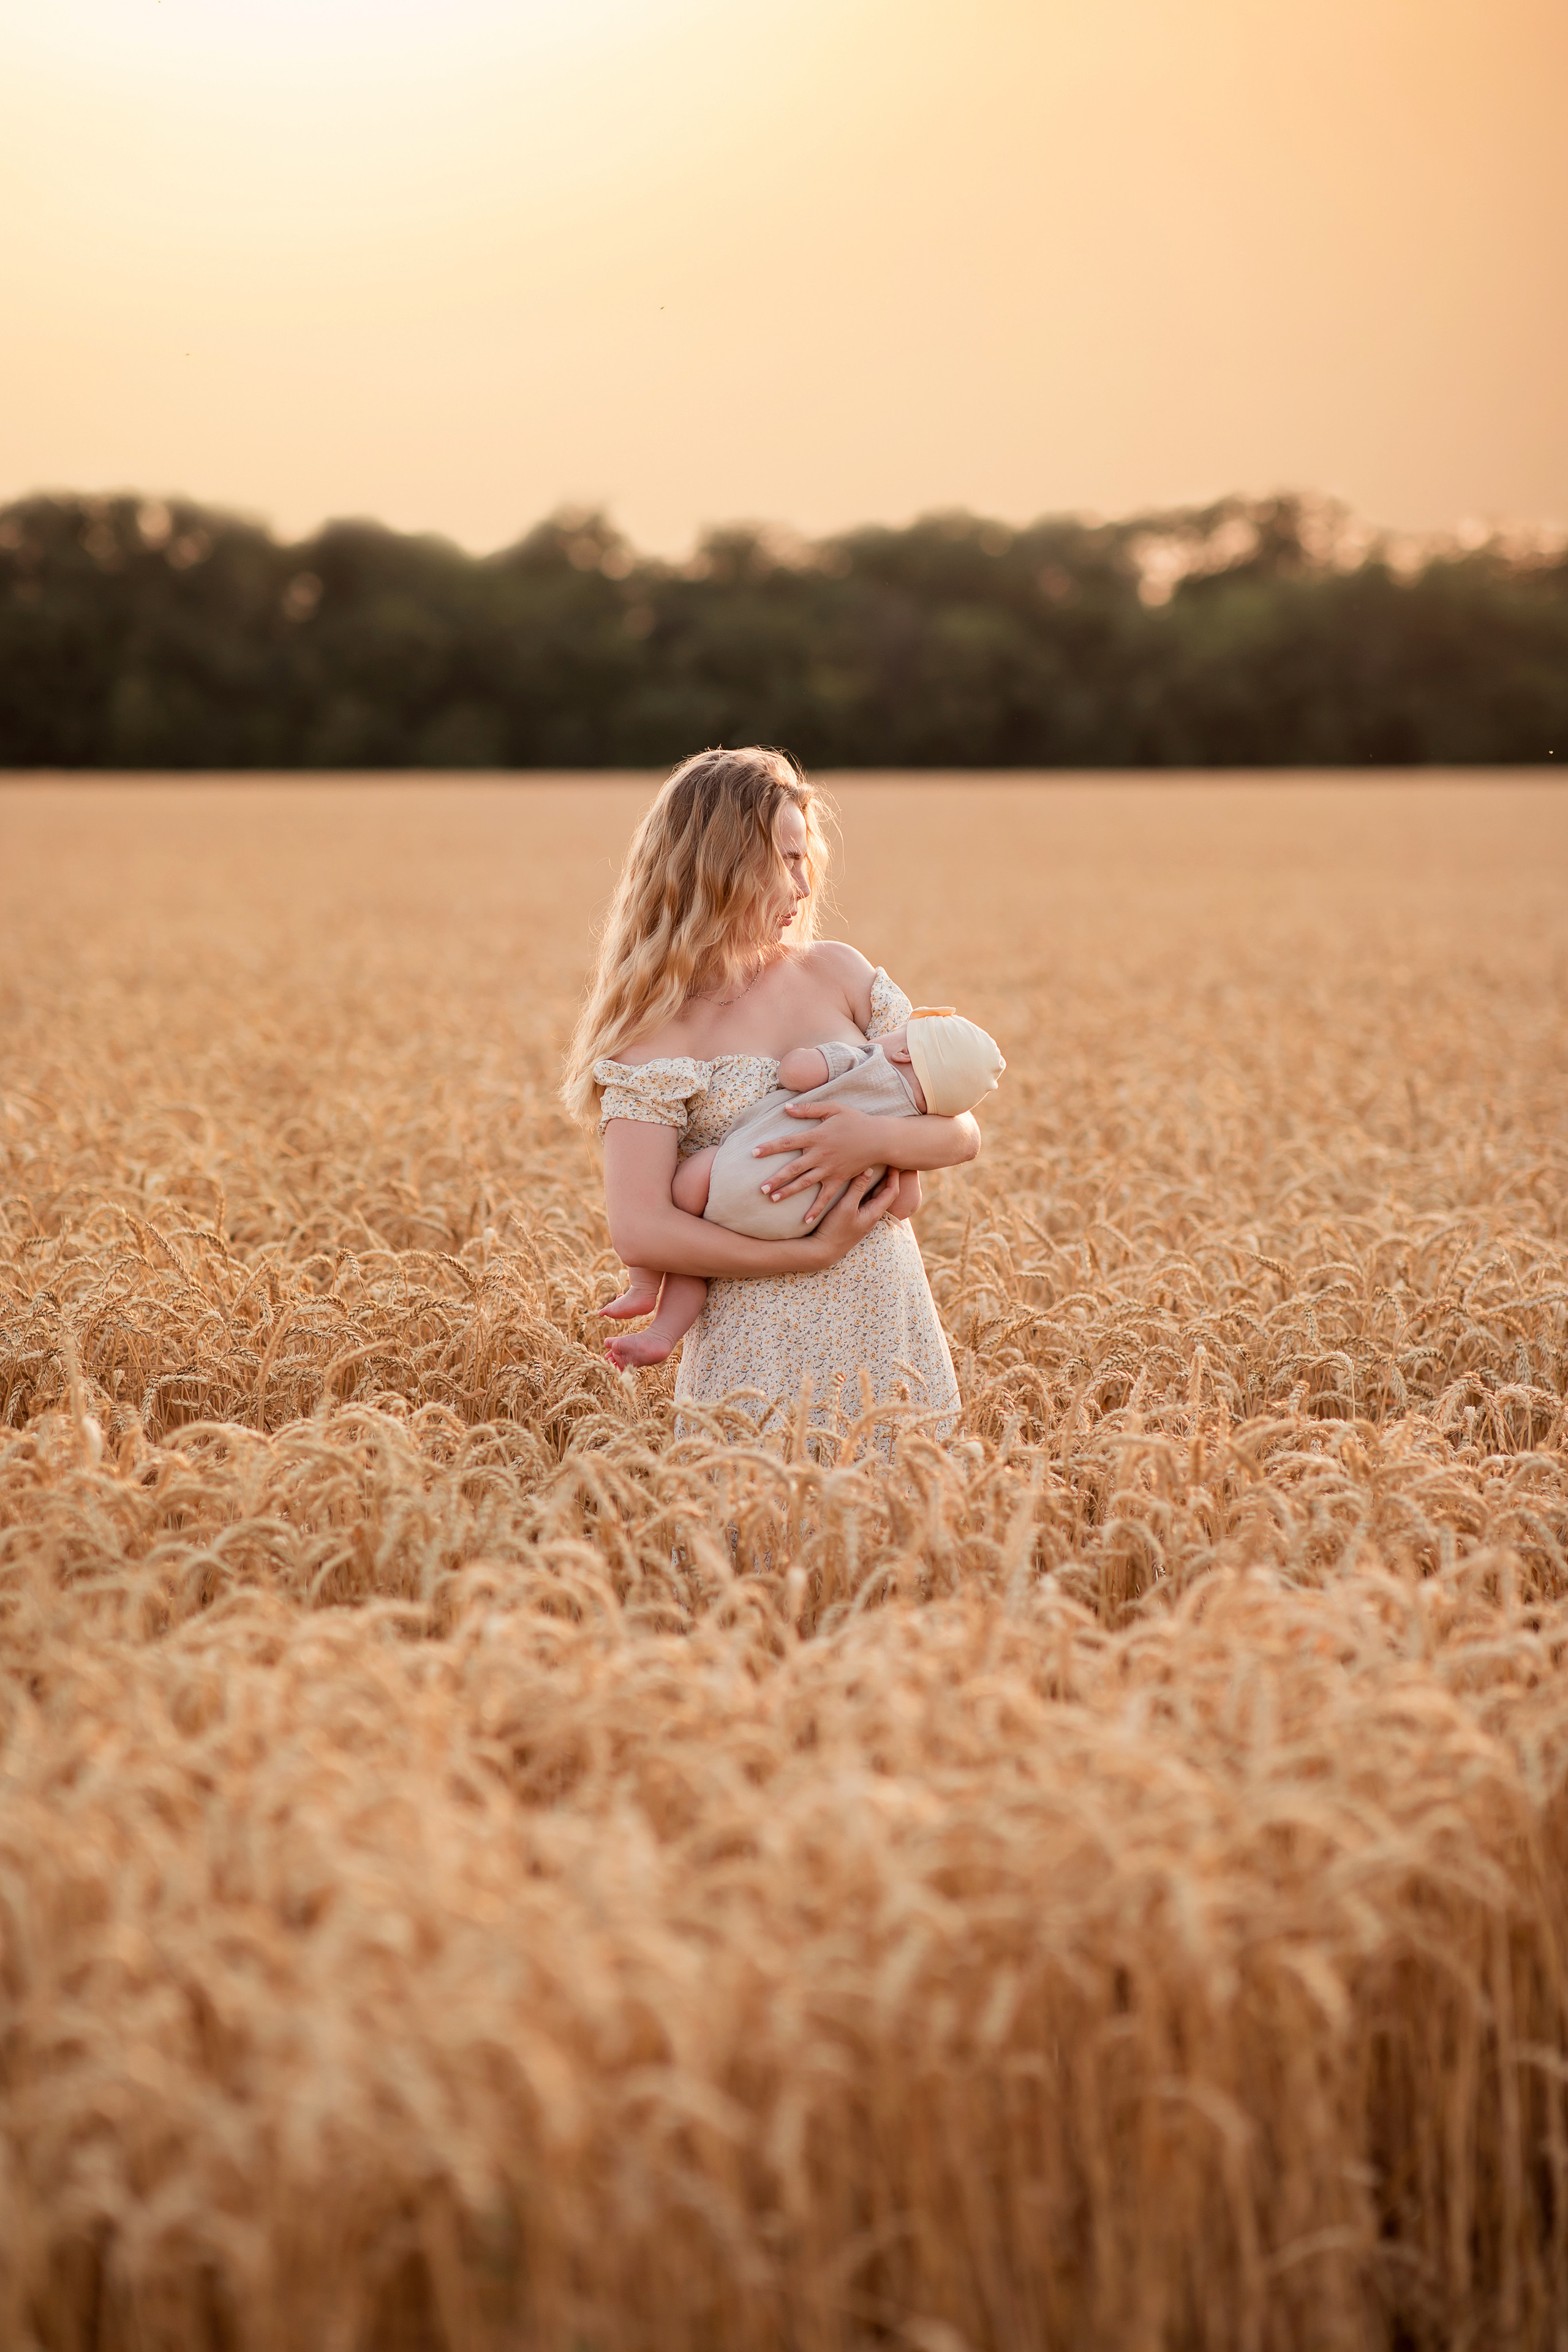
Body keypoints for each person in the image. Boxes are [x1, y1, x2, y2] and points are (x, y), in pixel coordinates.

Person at [560, 746, 984, 1443]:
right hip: (754, 1361)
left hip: (888, 1333)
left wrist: (873, 1140)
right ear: (719, 867)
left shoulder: (839, 975)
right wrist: (805, 1255)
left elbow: (960, 1131)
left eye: (803, 858)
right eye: (784, 861)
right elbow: (639, 1228)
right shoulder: (655, 1033)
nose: (803, 884)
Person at [596, 1010, 1006, 1366]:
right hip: (808, 1220)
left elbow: (795, 1072)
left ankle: (651, 1301)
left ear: (903, 1053)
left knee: (691, 1218)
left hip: (743, 1180)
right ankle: (659, 1324)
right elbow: (904, 1203)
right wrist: (880, 1159)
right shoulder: (915, 1116)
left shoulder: (865, 1060)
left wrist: (821, 1059)